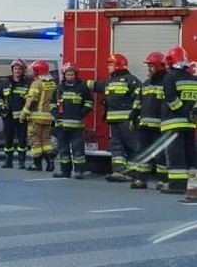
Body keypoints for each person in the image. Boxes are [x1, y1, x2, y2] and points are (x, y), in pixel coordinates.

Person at [89, 53, 141, 182]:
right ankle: (119, 171)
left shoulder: (131, 80)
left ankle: (133, 173)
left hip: (127, 120)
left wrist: (135, 114)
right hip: (114, 120)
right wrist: (81, 84)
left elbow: (140, 97)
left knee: (132, 145)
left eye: (110, 64)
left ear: (118, 65)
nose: (108, 67)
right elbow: (98, 86)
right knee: (116, 145)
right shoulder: (110, 81)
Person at [158, 46, 197, 194]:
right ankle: (192, 185)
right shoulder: (194, 79)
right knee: (191, 154)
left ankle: (177, 185)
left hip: (173, 123)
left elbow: (171, 98)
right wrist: (192, 113)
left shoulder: (170, 78)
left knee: (176, 155)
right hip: (191, 124)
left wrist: (184, 112)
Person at [129, 52, 168, 190]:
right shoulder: (145, 84)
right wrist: (133, 115)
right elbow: (138, 101)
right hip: (144, 125)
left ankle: (163, 180)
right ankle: (141, 179)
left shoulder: (167, 83)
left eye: (151, 66)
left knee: (160, 155)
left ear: (158, 66)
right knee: (143, 152)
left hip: (160, 126)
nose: (148, 69)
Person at [52, 62, 93, 179]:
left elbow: (89, 103)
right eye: (68, 74)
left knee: (78, 150)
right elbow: (52, 104)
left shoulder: (82, 87)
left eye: (72, 74)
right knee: (63, 150)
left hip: (76, 126)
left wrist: (81, 114)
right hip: (61, 126)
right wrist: (56, 115)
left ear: (75, 75)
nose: (70, 76)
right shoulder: (59, 89)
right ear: (64, 75)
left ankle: (79, 172)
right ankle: (65, 172)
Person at [20, 60, 57, 172]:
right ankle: (50, 164)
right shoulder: (52, 83)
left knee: (35, 140)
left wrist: (24, 113)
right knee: (46, 141)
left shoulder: (36, 83)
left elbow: (32, 100)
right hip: (48, 118)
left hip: (36, 117)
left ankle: (37, 164)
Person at [0, 58, 30, 169]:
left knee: (22, 139)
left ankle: (21, 162)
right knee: (8, 138)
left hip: (21, 117)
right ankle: (8, 161)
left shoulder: (26, 84)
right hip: (8, 116)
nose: (17, 71)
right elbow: (0, 97)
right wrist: (0, 108)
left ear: (23, 70)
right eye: (15, 69)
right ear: (12, 70)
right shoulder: (5, 83)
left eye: (19, 69)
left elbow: (29, 100)